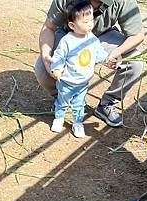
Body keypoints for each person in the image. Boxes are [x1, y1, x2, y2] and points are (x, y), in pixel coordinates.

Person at [36, 0, 145, 128]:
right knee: (43, 68)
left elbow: (137, 35)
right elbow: (49, 27)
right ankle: (63, 97)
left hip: (101, 35)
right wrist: (46, 54)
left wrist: (118, 52)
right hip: (68, 35)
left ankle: (107, 104)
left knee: (134, 61)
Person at [50, 1, 112, 138]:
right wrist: (57, 69)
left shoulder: (93, 40)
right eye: (85, 22)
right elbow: (59, 56)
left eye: (91, 20)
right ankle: (59, 118)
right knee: (62, 102)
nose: (90, 24)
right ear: (72, 25)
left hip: (83, 82)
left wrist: (109, 61)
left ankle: (77, 123)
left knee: (79, 105)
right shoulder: (67, 41)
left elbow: (100, 54)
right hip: (66, 81)